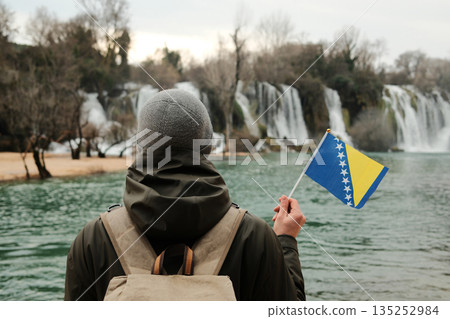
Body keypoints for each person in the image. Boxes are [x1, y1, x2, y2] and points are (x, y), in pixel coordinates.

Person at [64, 89, 306, 301]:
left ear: (140, 147)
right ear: (208, 146)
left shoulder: (91, 241)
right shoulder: (255, 238)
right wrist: (285, 240)